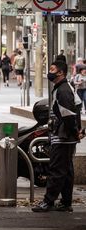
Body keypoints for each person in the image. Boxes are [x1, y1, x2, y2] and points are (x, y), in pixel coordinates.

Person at [32, 61, 83, 212]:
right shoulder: (63, 88)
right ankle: (66, 203)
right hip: (65, 137)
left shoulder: (63, 90)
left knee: (56, 169)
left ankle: (48, 202)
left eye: (52, 69)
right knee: (66, 170)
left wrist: (74, 133)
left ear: (60, 72)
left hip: (63, 138)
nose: (50, 71)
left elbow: (68, 116)